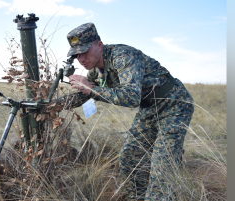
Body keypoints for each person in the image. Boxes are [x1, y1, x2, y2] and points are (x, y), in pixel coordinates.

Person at [57, 23, 194, 200]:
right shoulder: (96, 71)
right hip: (149, 108)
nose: (81, 58)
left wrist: (91, 89)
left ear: (99, 45)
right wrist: (52, 105)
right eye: (76, 54)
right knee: (129, 158)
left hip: (174, 103)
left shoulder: (122, 56)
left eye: (84, 51)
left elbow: (131, 97)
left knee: (161, 166)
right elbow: (83, 95)